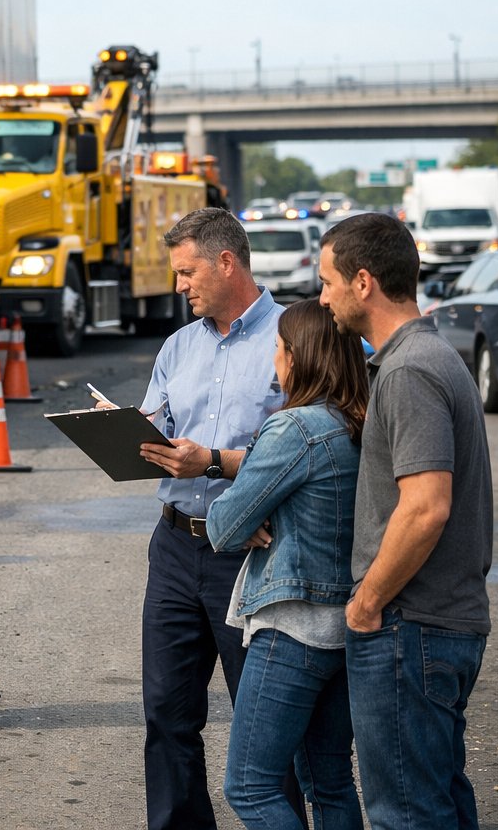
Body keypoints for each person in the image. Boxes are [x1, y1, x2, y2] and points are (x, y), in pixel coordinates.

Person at [318, 212, 492, 829]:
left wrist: (367, 604)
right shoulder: (427, 355)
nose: (323, 297)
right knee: (439, 803)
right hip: (434, 627)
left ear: (362, 282)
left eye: (327, 281)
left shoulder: (411, 369)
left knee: (406, 814)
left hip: (409, 627)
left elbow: (425, 506)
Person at [127, 207, 290, 830]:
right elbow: (161, 428)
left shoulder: (292, 336)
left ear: (227, 262)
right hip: (174, 547)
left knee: (269, 722)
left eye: (187, 272)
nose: (179, 286)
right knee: (167, 713)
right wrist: (131, 434)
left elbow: (315, 442)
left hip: (255, 553)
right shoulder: (178, 345)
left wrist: (216, 463)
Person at [206, 299, 368, 830]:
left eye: (277, 347)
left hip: (293, 627)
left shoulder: (294, 429)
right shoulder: (356, 421)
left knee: (249, 785)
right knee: (330, 783)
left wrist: (250, 505)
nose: (273, 358)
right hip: (345, 627)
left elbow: (225, 526)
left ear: (297, 357)